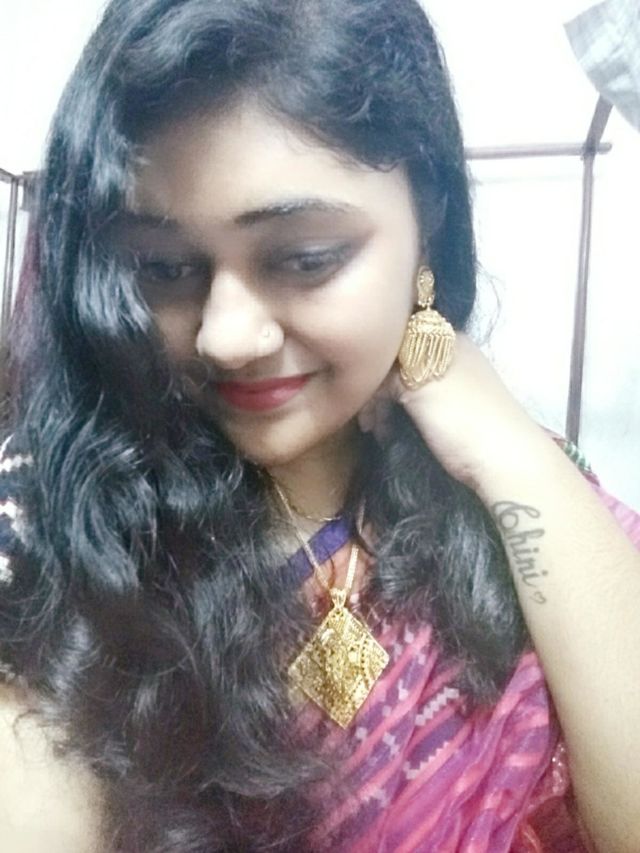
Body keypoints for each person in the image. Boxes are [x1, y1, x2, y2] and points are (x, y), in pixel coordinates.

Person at [1, 0, 639, 850]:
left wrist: (511, 450)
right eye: (163, 268)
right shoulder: (61, 523)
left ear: (427, 222)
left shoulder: (525, 490)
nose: (226, 335)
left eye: (305, 258)